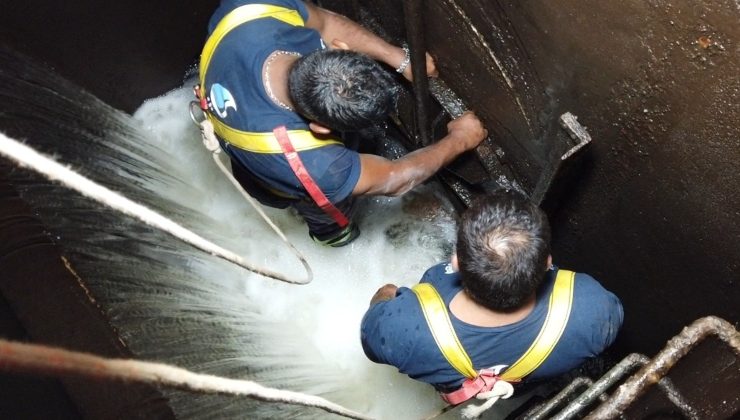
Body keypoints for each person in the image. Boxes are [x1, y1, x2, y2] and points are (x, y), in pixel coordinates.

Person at [198, 0, 487, 247]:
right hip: (280, 177)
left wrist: (400, 59)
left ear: (338, 48)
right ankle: (335, 238)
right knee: (331, 217)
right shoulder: (317, 166)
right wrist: (460, 139)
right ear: (321, 129)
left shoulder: (254, 8)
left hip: (236, 107)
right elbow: (395, 178)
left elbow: (326, 23)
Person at [360, 190, 623, 403]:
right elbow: (613, 323)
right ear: (547, 263)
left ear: (455, 263)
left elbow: (371, 342)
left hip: (456, 385)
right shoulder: (592, 309)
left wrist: (388, 294)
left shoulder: (398, 328)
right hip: (522, 383)